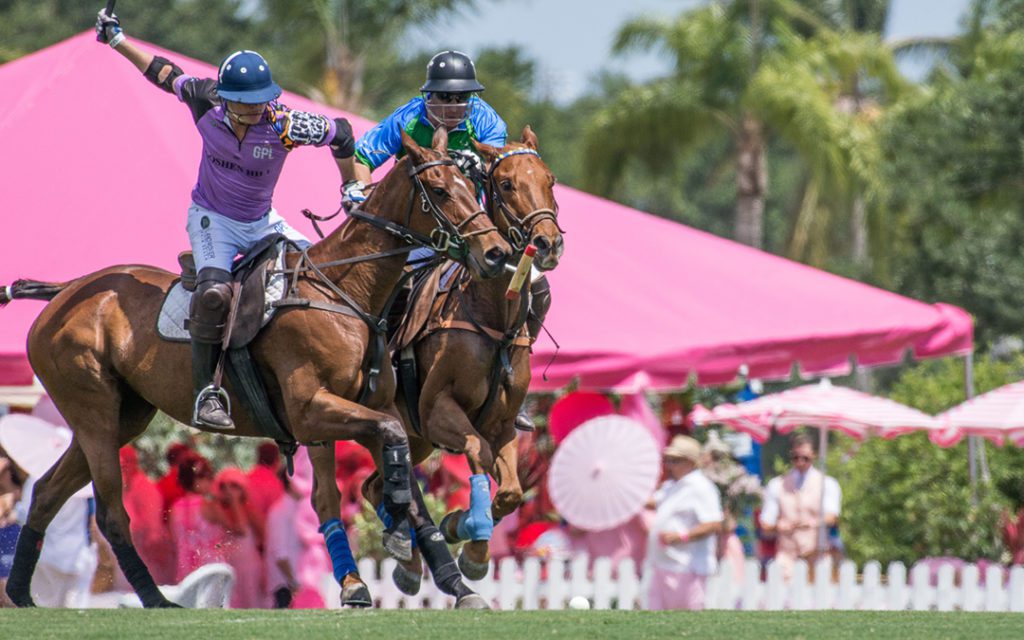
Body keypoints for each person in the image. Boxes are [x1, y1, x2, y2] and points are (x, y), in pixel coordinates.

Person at [95, 7, 357, 430]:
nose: (257, 109)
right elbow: (164, 73)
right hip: (212, 219)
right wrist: (118, 41)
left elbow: (343, 134)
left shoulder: (288, 125)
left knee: (321, 278)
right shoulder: (205, 99)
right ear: (227, 97)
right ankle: (206, 393)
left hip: (262, 221)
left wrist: (351, 187)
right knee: (214, 293)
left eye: (262, 100)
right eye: (247, 103)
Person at [345, 51, 549, 431]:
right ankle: (377, 373)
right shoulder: (407, 118)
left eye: (461, 98)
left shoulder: (486, 119)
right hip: (421, 232)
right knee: (391, 292)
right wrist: (358, 188)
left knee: (538, 289)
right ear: (429, 96)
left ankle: (512, 378)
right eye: (444, 98)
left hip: (472, 235)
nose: (454, 106)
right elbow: (361, 156)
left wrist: (479, 163)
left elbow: (499, 168)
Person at [645, 436, 723, 611]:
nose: (669, 465)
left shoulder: (701, 487)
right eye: (668, 460)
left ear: (690, 462)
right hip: (664, 563)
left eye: (675, 461)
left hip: (689, 566)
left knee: (689, 621)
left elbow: (713, 524)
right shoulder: (672, 486)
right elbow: (654, 502)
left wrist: (682, 536)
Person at [759, 433, 841, 581]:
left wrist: (811, 523)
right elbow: (766, 523)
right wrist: (780, 526)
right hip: (786, 557)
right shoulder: (777, 485)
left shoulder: (827, 484)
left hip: (818, 556)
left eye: (805, 458)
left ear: (814, 456)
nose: (800, 462)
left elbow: (832, 517)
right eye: (796, 458)